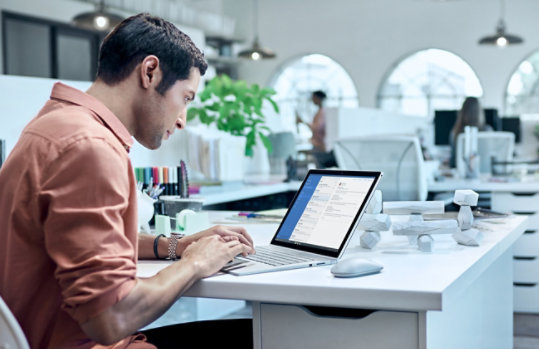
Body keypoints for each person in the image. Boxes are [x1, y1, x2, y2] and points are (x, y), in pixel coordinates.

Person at [0, 13, 255, 349]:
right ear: (150, 72)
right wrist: (197, 263)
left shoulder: (57, 124)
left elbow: (80, 242)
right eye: (186, 99)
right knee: (268, 337)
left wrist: (175, 245)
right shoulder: (90, 148)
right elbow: (111, 317)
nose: (182, 121)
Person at [296, 90, 337, 168]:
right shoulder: (320, 111)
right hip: (318, 145)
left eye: (313, 97)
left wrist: (302, 121)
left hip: (321, 147)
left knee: (320, 169)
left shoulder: (322, 112)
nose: (312, 100)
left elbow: (316, 128)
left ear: (318, 98)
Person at [449, 96, 492, 168]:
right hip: (485, 173)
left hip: (464, 175)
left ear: (462, 112)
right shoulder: (488, 131)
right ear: (480, 112)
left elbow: (453, 162)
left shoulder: (455, 133)